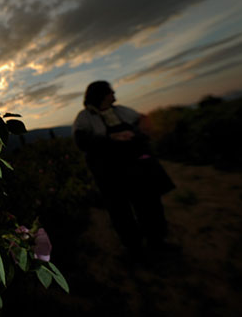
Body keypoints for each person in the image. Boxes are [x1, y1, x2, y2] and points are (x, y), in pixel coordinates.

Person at [73, 81, 175, 253]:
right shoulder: (85, 118)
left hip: (137, 167)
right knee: (120, 210)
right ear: (101, 95)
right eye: (109, 92)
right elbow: (82, 142)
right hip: (109, 172)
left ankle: (157, 242)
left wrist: (137, 132)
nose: (113, 94)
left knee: (149, 203)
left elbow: (142, 123)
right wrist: (111, 139)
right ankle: (133, 247)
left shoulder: (121, 111)